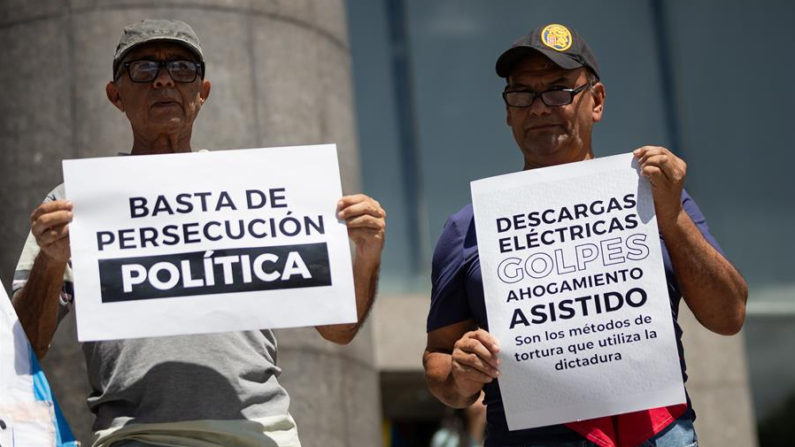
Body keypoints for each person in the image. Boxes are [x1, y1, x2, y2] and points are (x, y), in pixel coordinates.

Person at [11, 19, 386, 447]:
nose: (165, 80)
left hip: (261, 435)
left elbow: (338, 329)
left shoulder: (258, 191)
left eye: (183, 69)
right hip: (136, 437)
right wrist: (52, 259)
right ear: (116, 95)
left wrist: (367, 255)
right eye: (144, 69)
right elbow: (27, 345)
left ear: (201, 93)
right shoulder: (74, 202)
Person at [423, 23, 747, 447]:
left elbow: (728, 316)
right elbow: (440, 362)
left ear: (596, 101)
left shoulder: (658, 197)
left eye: (559, 90)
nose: (539, 108)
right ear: (508, 111)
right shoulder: (467, 227)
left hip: (658, 433)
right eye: (522, 94)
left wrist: (672, 217)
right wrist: (461, 375)